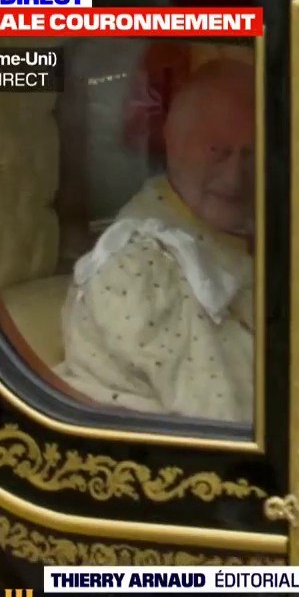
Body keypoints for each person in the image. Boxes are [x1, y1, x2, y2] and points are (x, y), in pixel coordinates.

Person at [56, 58, 257, 423]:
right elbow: (227, 425)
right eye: (217, 151)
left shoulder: (246, 232)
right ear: (172, 140)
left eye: (252, 154)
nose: (234, 178)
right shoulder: (142, 268)